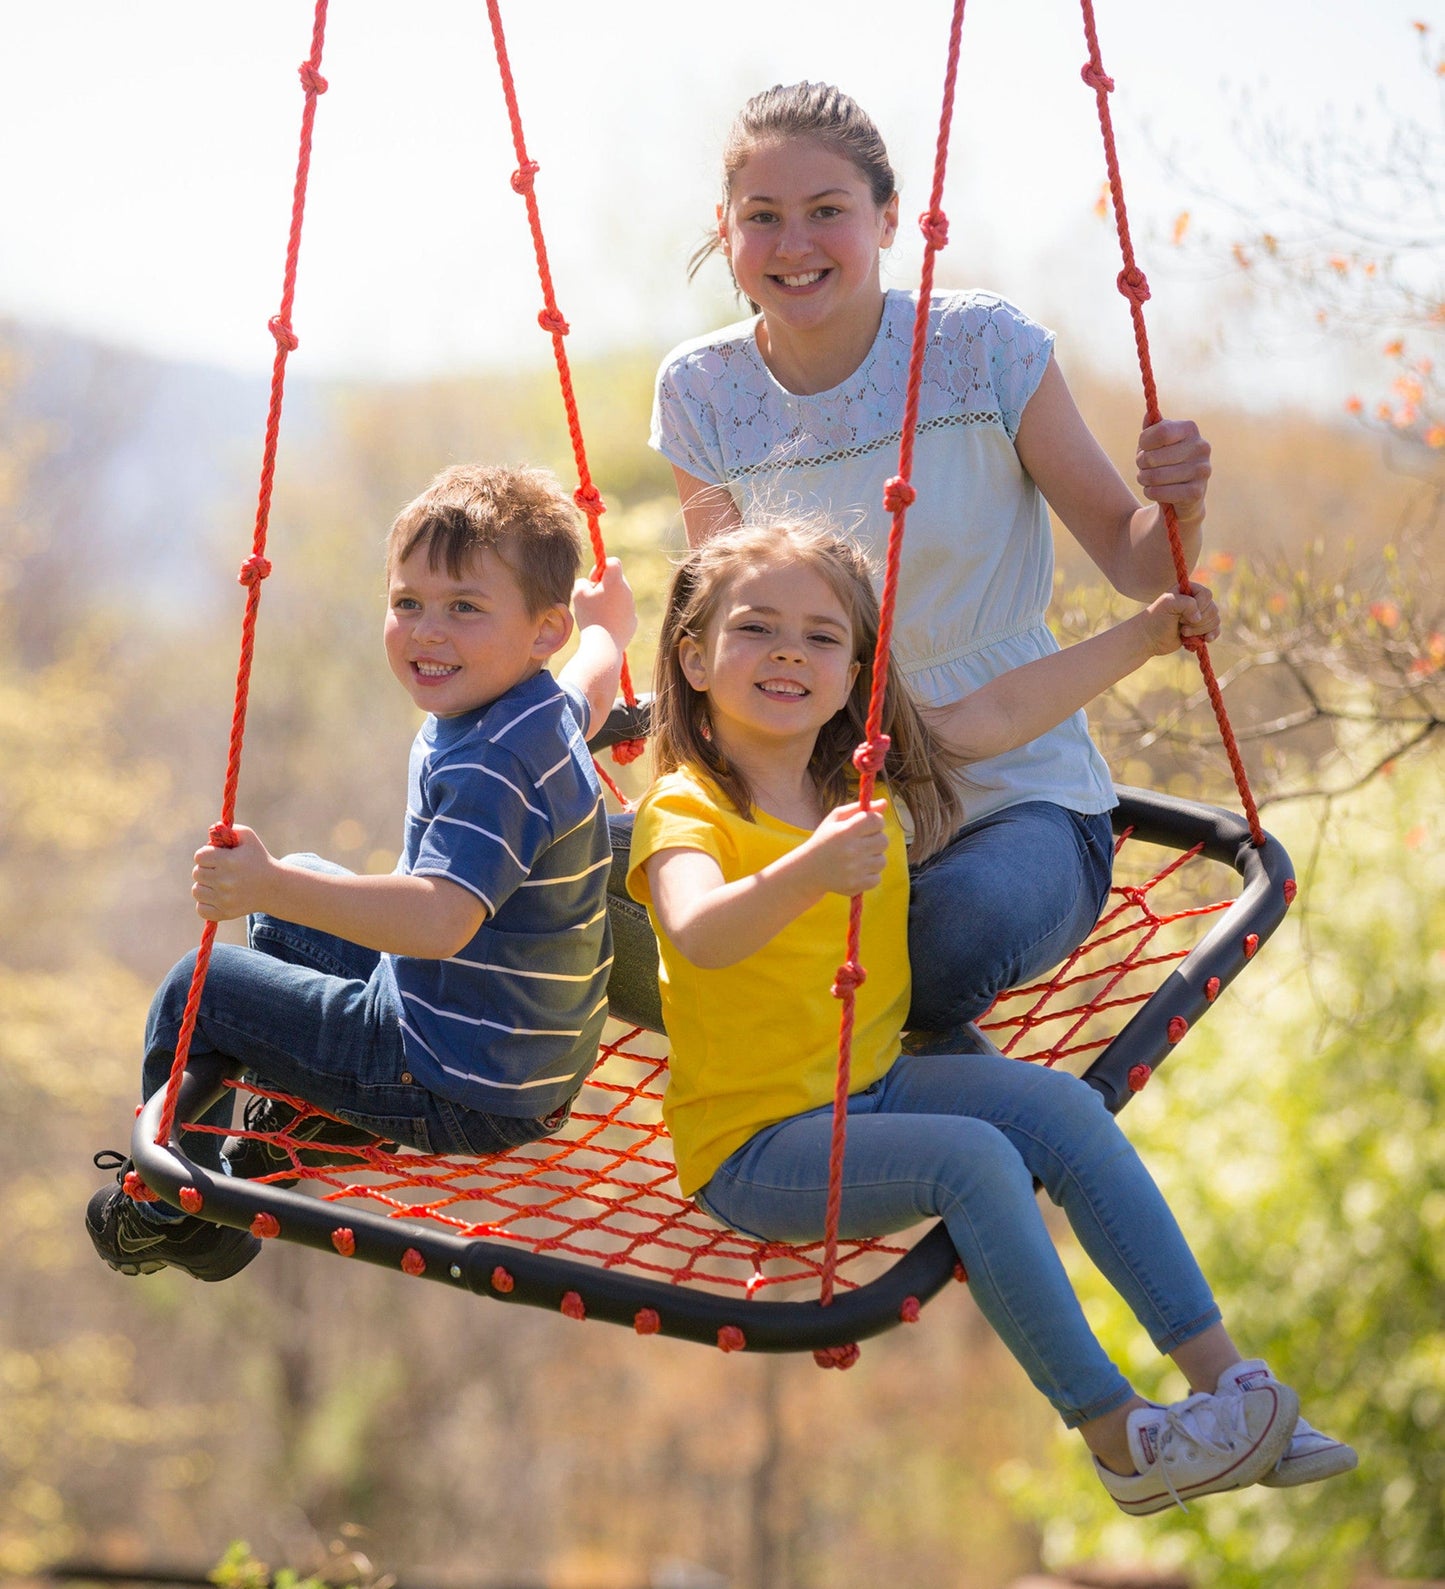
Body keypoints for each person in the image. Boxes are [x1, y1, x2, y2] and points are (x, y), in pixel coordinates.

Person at [627, 520, 1355, 1512]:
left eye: (822, 635)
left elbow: (1005, 704)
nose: (789, 651)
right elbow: (697, 928)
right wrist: (807, 869)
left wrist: (1145, 635)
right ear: (693, 654)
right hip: (753, 1146)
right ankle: (1122, 1441)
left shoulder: (863, 779)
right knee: (971, 1158)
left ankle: (1225, 1379)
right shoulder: (687, 808)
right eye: (756, 627)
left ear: (854, 675)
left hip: (867, 1084)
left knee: (1057, 1108)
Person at [650, 80, 1216, 1049]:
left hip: (1019, 792)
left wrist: (1182, 502)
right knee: (637, 900)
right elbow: (731, 631)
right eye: (763, 217)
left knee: (930, 943)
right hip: (826, 801)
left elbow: (1137, 561)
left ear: (885, 217)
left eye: (826, 212)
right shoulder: (701, 391)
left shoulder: (975, 346)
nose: (793, 245)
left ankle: (966, 1129)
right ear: (726, 228)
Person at [87, 463, 637, 1283]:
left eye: (464, 608)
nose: (428, 632)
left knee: (195, 992)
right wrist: (609, 632)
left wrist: (269, 882)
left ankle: (183, 1213)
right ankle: (316, 1125)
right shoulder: (535, 708)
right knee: (286, 919)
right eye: (407, 603)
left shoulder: (491, 761)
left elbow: (438, 919)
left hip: (454, 1075)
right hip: (514, 1050)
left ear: (540, 630)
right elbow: (589, 688)